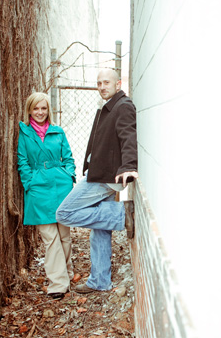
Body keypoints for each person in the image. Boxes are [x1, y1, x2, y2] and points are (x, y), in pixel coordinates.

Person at [56, 68, 137, 294]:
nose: (102, 86)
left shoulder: (123, 106)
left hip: (104, 176)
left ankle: (121, 214)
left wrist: (129, 166)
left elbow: (128, 136)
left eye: (106, 82)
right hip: (100, 172)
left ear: (118, 83)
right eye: (99, 83)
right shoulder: (109, 106)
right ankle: (100, 281)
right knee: (100, 229)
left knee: (64, 213)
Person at [17, 92, 76, 299]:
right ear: (29, 110)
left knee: (64, 235)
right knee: (50, 237)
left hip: (61, 185)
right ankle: (58, 283)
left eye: (43, 108)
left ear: (48, 110)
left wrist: (69, 175)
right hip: (38, 188)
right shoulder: (24, 133)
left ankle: (67, 274)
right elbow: (22, 161)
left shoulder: (58, 132)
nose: (40, 112)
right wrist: (29, 182)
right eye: (36, 108)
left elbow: (68, 157)